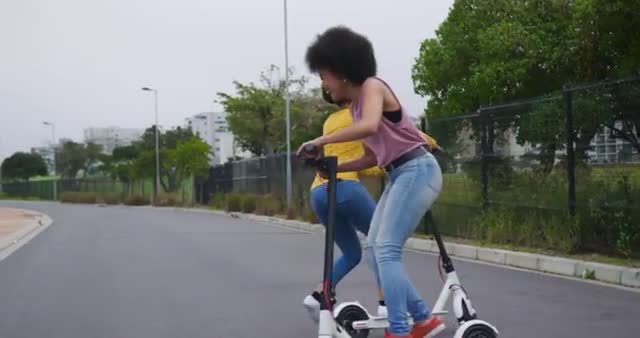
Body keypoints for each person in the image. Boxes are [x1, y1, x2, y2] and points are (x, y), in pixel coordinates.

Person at [299, 26, 445, 338]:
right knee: (374, 250)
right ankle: (423, 319)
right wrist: (333, 171)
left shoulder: (373, 88)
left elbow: (367, 127)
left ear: (341, 72)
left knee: (387, 249)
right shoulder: (355, 107)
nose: (323, 83)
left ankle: (400, 330)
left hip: (418, 169)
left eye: (324, 75)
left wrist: (320, 140)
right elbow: (370, 157)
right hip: (399, 174)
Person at [303, 87, 388, 322]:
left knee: (351, 253)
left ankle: (318, 295)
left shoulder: (330, 121)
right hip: (346, 187)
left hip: (319, 191)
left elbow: (343, 155)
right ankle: (385, 304)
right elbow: (360, 161)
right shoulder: (361, 116)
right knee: (381, 241)